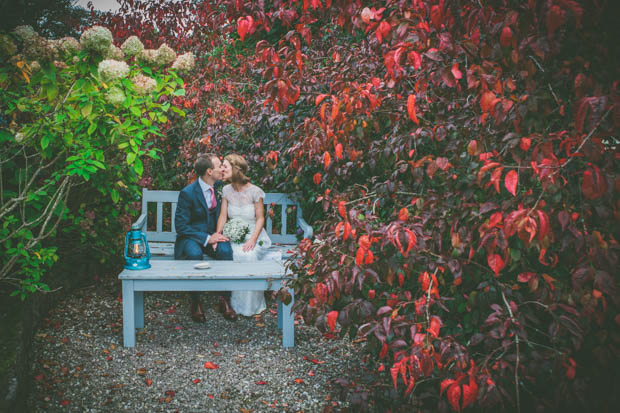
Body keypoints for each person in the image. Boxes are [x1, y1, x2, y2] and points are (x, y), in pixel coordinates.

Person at [174, 153, 238, 322]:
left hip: (215, 235)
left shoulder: (220, 188)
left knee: (225, 251)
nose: (222, 169)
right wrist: (206, 238)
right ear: (209, 171)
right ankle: (195, 301)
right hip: (192, 237)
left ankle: (224, 299)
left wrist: (217, 235)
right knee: (194, 255)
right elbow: (181, 227)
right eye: (219, 166)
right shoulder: (187, 193)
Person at [216, 154, 272, 316]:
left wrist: (253, 240)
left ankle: (250, 306)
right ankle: (234, 304)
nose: (222, 169)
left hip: (255, 236)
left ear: (236, 169)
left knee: (249, 255)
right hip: (234, 236)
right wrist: (218, 234)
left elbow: (261, 218)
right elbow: (223, 216)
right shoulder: (226, 190)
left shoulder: (255, 191)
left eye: (225, 166)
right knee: (233, 254)